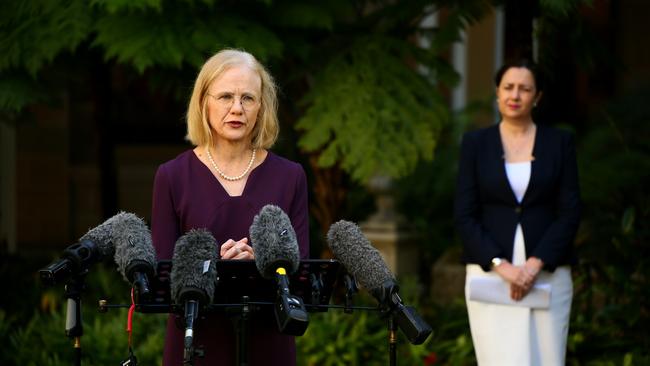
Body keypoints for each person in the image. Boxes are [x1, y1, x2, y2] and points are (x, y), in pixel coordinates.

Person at [151, 49, 309, 365]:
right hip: (198, 342)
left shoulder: (291, 176)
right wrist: (214, 268)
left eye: (247, 98)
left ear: (261, 107)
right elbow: (162, 277)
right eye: (225, 96)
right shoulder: (171, 176)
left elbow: (303, 274)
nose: (237, 108)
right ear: (203, 103)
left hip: (269, 341)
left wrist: (262, 265)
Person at [454, 59, 580, 365]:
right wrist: (502, 266)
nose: (515, 95)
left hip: (547, 273)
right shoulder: (475, 144)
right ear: (496, 93)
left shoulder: (559, 143)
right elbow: (464, 214)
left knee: (547, 358)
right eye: (508, 87)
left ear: (537, 96)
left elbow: (570, 211)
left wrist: (534, 265)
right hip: (491, 275)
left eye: (525, 89)